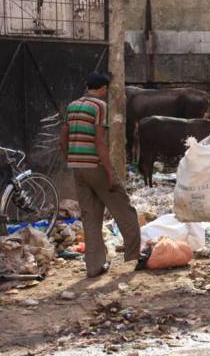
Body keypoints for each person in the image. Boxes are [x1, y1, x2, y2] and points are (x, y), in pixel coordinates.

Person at [60, 72, 141, 278]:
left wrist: (71, 159)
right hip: (96, 166)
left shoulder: (72, 106)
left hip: (78, 168)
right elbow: (100, 142)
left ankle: (94, 267)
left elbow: (63, 139)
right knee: (124, 210)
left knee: (91, 217)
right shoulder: (99, 106)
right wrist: (110, 173)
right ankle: (133, 257)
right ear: (104, 89)